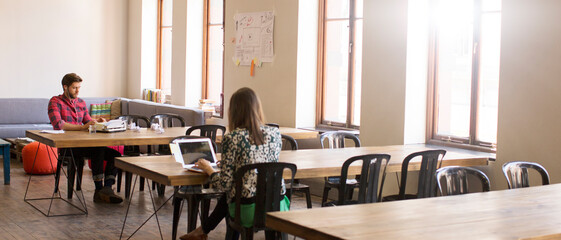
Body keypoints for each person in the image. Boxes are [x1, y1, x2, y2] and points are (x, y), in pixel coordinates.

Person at [180, 87, 283, 240]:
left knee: (232, 193)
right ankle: (202, 230)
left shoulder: (232, 138)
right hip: (278, 206)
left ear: (234, 111)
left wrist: (209, 168)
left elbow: (224, 184)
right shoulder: (275, 133)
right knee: (236, 191)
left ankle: (203, 230)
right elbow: (260, 160)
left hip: (248, 211)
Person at [48, 73, 123, 204]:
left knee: (115, 155)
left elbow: (87, 121)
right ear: (65, 87)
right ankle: (99, 189)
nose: (77, 91)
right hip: (68, 146)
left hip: (84, 144)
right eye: (74, 88)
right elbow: (58, 124)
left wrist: (97, 121)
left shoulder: (81, 102)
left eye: (79, 87)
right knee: (98, 150)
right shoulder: (55, 102)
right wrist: (82, 127)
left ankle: (107, 188)